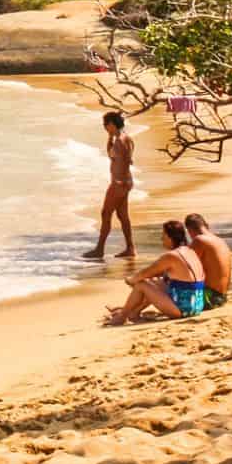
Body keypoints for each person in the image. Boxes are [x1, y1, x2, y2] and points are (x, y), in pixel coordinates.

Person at [106, 220, 209, 324]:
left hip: (184, 309)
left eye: (163, 235)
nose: (161, 239)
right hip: (197, 305)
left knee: (141, 285)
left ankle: (122, 317)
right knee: (156, 282)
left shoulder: (172, 256)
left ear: (170, 237)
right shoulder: (190, 251)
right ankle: (133, 312)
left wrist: (130, 280)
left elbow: (145, 273)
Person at [82, 111, 137, 260]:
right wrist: (109, 137)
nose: (104, 127)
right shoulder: (125, 138)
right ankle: (130, 248)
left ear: (112, 124)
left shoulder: (120, 140)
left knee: (106, 213)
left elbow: (123, 161)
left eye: (105, 125)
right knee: (122, 215)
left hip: (119, 182)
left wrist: (120, 181)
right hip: (125, 181)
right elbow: (118, 157)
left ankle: (99, 249)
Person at [185, 213, 232, 309]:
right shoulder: (220, 240)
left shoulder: (199, 240)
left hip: (209, 298)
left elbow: (184, 265)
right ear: (206, 225)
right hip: (221, 297)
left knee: (158, 283)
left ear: (189, 230)